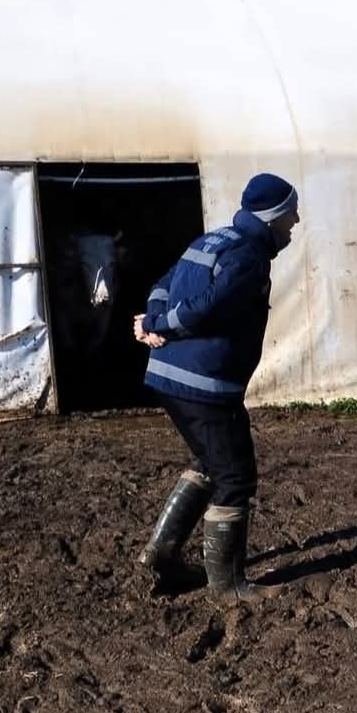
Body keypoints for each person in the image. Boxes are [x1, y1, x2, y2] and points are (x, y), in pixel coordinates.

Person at [133, 173, 300, 602]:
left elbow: (164, 284)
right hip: (205, 383)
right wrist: (158, 325)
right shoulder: (247, 254)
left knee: (210, 463)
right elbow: (209, 307)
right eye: (289, 214)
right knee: (235, 477)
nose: (295, 221)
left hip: (173, 379)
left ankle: (162, 555)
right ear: (271, 218)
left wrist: (153, 322)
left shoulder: (211, 240)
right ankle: (228, 585)